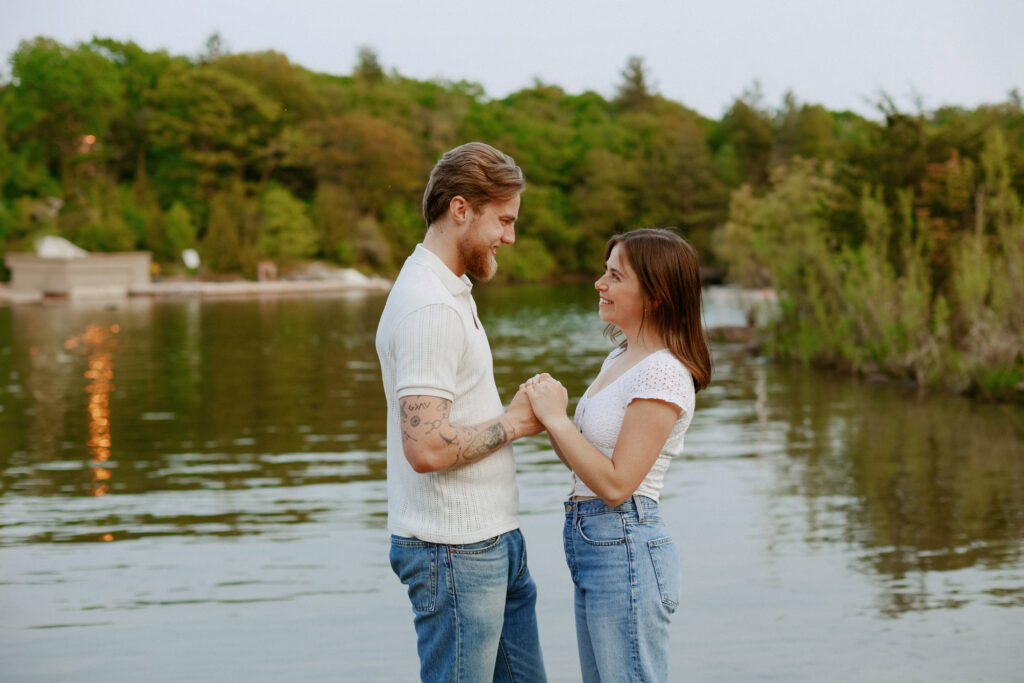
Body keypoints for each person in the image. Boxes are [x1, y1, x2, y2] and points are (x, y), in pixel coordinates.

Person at [375, 142, 547, 682]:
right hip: (455, 551)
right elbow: (425, 448)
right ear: (460, 209)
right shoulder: (428, 306)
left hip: (490, 541)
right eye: (504, 220)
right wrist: (517, 422)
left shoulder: (449, 291)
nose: (510, 237)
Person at [522, 228, 712, 682]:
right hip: (595, 541)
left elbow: (616, 485)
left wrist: (558, 419)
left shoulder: (664, 373)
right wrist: (547, 416)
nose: (599, 283)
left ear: (656, 296)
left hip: (625, 541)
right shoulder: (620, 359)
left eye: (615, 276)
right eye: (604, 272)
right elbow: (586, 464)